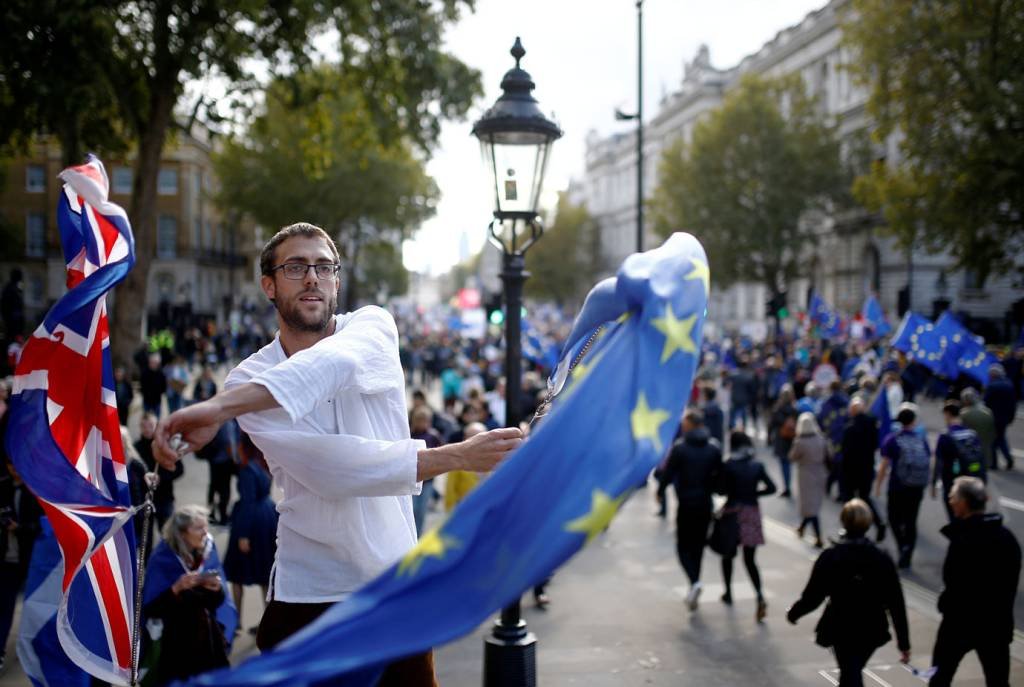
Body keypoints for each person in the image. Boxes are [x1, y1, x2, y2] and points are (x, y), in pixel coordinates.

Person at [152, 222, 521, 684]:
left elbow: (333, 365)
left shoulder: (372, 326)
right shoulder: (246, 377)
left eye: (324, 267)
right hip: (309, 592)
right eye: (295, 267)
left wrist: (219, 409)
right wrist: (456, 456)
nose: (312, 277)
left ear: (337, 282)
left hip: (393, 584)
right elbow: (333, 472)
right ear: (269, 285)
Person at [786, 499, 910, 687]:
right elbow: (896, 601)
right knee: (852, 670)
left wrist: (794, 613)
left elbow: (814, 595)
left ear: (843, 521)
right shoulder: (880, 557)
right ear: (868, 523)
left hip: (840, 624)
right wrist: (904, 643)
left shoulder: (831, 556)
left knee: (849, 671)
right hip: (872, 625)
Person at [929, 477, 1021, 686]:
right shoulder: (1006, 538)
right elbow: (1010, 584)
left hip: (959, 623)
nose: (950, 501)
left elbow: (952, 582)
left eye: (952, 496)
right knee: (997, 680)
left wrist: (945, 604)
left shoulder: (962, 541)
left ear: (964, 502)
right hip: (996, 623)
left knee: (939, 677)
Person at [142, 505, 237, 683]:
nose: (205, 532)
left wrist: (217, 589)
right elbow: (152, 609)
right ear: (182, 533)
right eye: (199, 528)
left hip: (209, 643)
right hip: (177, 647)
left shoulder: (207, 551)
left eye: (206, 526)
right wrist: (176, 589)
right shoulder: (162, 559)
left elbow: (217, 602)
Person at [657, 407, 722, 611]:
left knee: (683, 547)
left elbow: (668, 474)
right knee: (698, 547)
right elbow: (719, 476)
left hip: (686, 503)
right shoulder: (713, 447)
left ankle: (694, 582)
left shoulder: (680, 447)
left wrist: (660, 490)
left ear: (691, 425)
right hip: (705, 503)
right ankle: (695, 583)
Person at [718, 430, 776, 622]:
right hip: (751, 513)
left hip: (733, 512)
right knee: (750, 560)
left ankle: (728, 592)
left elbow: (721, 489)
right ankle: (759, 595)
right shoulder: (757, 465)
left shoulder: (729, 465)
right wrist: (754, 494)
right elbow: (772, 487)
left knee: (728, 555)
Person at [223, 433, 278, 635]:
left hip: (250, 522)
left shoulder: (247, 470)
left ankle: (237, 621)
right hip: (268, 518)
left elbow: (247, 502)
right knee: (265, 575)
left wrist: (243, 535)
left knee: (237, 574)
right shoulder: (263, 462)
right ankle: (267, 621)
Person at [875, 405, 932, 569]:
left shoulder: (893, 439)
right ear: (914, 421)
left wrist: (878, 486)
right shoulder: (921, 439)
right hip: (916, 487)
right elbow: (929, 460)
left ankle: (902, 546)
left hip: (898, 487)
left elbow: (884, 465)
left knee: (894, 518)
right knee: (911, 520)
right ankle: (908, 552)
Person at [0, 457, 43, 672]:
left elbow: (40, 526)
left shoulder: (32, 491)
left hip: (28, 559)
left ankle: (29, 647)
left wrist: (19, 527)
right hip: (7, 559)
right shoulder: (4, 487)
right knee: (6, 607)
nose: (14, 471)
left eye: (16, 466)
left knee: (30, 606)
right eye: (10, 466)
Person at [840, 397, 884, 541]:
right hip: (867, 468)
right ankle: (879, 523)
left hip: (852, 470)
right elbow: (876, 445)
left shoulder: (850, 429)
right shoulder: (872, 426)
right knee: (865, 498)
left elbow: (845, 453)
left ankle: (850, 525)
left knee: (849, 500)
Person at [932, 401, 986, 521]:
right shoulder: (972, 433)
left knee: (955, 516)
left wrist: (933, 483)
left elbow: (938, 461)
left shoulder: (945, 436)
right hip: (973, 478)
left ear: (947, 414)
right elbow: (981, 457)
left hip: (952, 481)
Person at [134, 412, 183, 530]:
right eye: (144, 426)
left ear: (157, 426)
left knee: (168, 534)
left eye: (151, 426)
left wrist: (161, 477)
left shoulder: (165, 446)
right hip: (144, 500)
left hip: (165, 498)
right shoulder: (136, 448)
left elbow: (179, 470)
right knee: (146, 538)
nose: (147, 430)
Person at [788, 412, 828, 548]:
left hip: (805, 474)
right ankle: (802, 528)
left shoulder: (800, 442)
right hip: (820, 473)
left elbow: (792, 457)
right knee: (813, 505)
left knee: (810, 508)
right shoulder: (821, 439)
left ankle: (818, 537)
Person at [409, 406, 444, 534]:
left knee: (422, 510)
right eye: (420, 420)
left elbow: (441, 452)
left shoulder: (433, 436)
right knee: (412, 508)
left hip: (428, 481)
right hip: (413, 478)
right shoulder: (410, 435)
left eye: (425, 420)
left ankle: (419, 535)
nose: (422, 423)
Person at [444, 422, 486, 511]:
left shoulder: (494, 460)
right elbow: (450, 490)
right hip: (464, 511)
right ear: (465, 438)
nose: (476, 440)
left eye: (480, 437)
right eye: (471, 436)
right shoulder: (457, 461)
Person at [984, 364, 1017, 470]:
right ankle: (1008, 458)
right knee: (1001, 439)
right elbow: (1013, 404)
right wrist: (1011, 417)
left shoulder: (991, 386)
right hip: (1004, 418)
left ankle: (993, 463)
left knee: (993, 440)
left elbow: (986, 403)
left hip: (993, 417)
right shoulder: (1009, 385)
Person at [768, 385, 799, 497]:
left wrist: (769, 438)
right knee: (788, 463)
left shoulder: (778, 409)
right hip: (792, 439)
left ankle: (787, 487)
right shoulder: (795, 409)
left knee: (784, 463)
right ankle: (788, 486)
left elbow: (771, 424)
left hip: (780, 440)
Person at [959, 387, 996, 470]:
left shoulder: (964, 413)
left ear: (966, 400)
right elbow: (992, 432)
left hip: (971, 451)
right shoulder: (988, 412)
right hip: (985, 447)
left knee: (973, 470)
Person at [139, 351, 167, 417]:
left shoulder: (161, 374)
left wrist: (160, 392)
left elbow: (164, 387)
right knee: (147, 420)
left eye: (155, 362)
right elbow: (142, 386)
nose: (153, 364)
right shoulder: (144, 373)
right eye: (151, 362)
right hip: (147, 400)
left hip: (157, 401)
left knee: (157, 420)